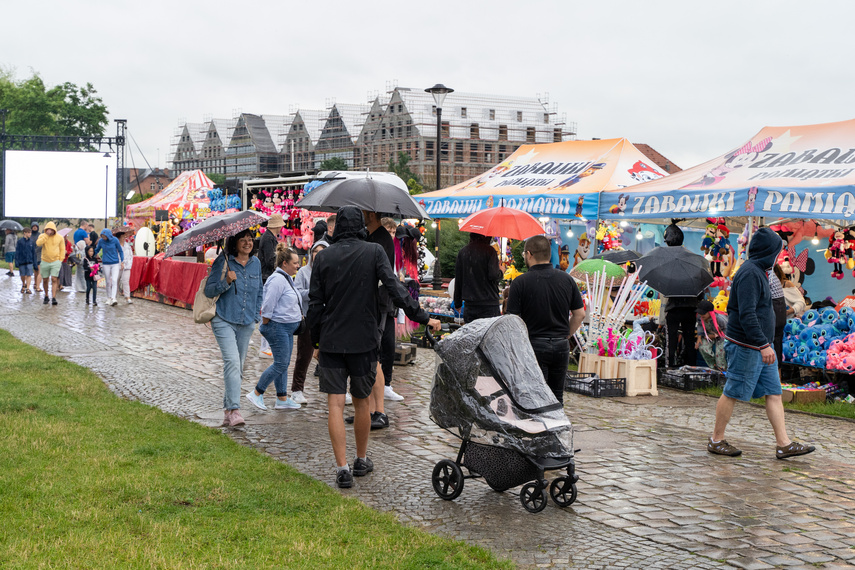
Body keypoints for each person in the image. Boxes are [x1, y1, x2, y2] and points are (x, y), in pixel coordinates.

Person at [307, 206, 440, 489]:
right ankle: (361, 458)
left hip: (331, 338)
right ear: (360, 227)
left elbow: (315, 304)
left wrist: (315, 341)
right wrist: (422, 316)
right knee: (362, 401)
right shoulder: (374, 252)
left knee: (334, 403)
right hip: (364, 339)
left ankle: (341, 467)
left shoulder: (324, 257)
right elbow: (395, 288)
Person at [708, 227, 815, 460]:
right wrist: (762, 344)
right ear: (768, 251)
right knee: (733, 391)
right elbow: (746, 314)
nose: (779, 257)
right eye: (777, 252)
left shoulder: (761, 271)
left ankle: (783, 444)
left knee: (774, 392)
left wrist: (765, 342)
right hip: (747, 345)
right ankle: (716, 439)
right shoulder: (750, 273)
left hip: (760, 345)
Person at [506, 235, 586, 404]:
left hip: (533, 345)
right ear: (549, 254)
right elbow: (580, 314)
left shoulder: (520, 283)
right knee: (557, 396)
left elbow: (512, 321)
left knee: (535, 396)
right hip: (560, 345)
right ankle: (556, 428)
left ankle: (538, 429)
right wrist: (567, 335)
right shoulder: (567, 279)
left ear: (529, 254)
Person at [205, 229, 263, 428]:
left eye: (250, 239)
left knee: (238, 365)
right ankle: (235, 409)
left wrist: (256, 315)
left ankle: (228, 411)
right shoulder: (223, 261)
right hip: (224, 319)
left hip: (246, 322)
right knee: (232, 361)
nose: (247, 243)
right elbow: (209, 289)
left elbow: (260, 291)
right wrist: (226, 281)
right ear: (234, 243)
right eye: (242, 240)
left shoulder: (256, 263)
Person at [245, 244, 303, 411]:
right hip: (278, 327)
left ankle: (282, 398)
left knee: (283, 363)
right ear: (284, 263)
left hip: (287, 328)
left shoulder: (286, 278)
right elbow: (268, 304)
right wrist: (266, 323)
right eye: (295, 263)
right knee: (280, 363)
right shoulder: (277, 279)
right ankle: (257, 392)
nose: (297, 266)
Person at [365, 209, 403, 414]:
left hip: (379, 302)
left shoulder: (381, 240)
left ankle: (376, 410)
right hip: (373, 302)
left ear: (371, 215)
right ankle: (368, 409)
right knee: (370, 357)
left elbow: (385, 277)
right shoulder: (371, 236)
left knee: (374, 356)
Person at [290, 241, 326, 405]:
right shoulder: (304, 272)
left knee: (332, 357)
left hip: (328, 318)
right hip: (309, 317)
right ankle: (297, 390)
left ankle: (336, 389)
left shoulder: (331, 271)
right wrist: (314, 292)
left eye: (322, 251)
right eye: (315, 251)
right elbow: (297, 292)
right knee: (304, 356)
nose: (317, 254)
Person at [454, 232, 503, 324]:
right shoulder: (490, 251)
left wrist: (457, 302)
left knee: (472, 336)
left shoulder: (463, 252)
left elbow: (459, 279)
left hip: (470, 304)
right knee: (489, 335)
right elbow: (493, 275)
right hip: (489, 304)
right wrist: (501, 271)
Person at [35, 222, 65, 306]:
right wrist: (46, 235)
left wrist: (60, 259)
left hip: (56, 261)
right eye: (48, 229)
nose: (50, 231)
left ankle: (54, 297)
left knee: (54, 279)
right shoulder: (42, 236)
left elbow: (62, 249)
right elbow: (38, 243)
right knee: (45, 279)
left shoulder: (59, 237)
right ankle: (46, 295)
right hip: (45, 260)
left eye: (51, 229)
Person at [94, 228, 125, 306]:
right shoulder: (101, 241)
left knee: (114, 280)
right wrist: (91, 254)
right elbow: (97, 249)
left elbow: (120, 250)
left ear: (108, 235)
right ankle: (108, 297)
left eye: (105, 236)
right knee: (108, 281)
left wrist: (122, 261)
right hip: (106, 263)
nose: (104, 238)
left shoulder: (115, 240)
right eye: (102, 236)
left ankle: (113, 298)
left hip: (115, 263)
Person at [695, 300, 727, 371]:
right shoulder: (700, 317)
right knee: (702, 347)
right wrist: (699, 338)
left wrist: (715, 335)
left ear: (710, 312)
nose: (701, 315)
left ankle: (722, 369)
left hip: (722, 336)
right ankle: (713, 367)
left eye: (703, 313)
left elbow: (727, 330)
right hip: (708, 335)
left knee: (720, 353)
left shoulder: (720, 319)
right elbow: (700, 326)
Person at [258, 213, 284, 283]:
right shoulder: (268, 238)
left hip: (267, 275)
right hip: (267, 276)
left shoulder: (269, 236)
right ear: (277, 225)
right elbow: (270, 260)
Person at [15, 227, 35, 294]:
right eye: (29, 233)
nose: (30, 234)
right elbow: (17, 251)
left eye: (30, 233)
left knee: (29, 275)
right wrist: (17, 261)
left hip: (29, 261)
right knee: (22, 275)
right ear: (25, 233)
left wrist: (34, 262)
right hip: (22, 261)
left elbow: (33, 252)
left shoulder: (31, 242)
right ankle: (24, 284)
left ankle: (28, 288)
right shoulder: (20, 241)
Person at [117, 230, 134, 303]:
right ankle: (114, 296)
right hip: (117, 266)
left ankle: (127, 297)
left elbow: (131, 255)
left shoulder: (127, 246)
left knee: (126, 281)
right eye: (123, 236)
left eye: (124, 236)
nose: (124, 237)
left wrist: (129, 263)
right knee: (115, 281)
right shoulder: (116, 245)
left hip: (127, 266)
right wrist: (120, 263)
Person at [30, 223, 42, 292]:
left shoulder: (40, 235)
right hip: (31, 255)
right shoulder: (30, 235)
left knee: (39, 271)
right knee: (35, 271)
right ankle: (35, 283)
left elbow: (40, 245)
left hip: (39, 255)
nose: (34, 228)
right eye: (33, 226)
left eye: (36, 226)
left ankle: (38, 285)